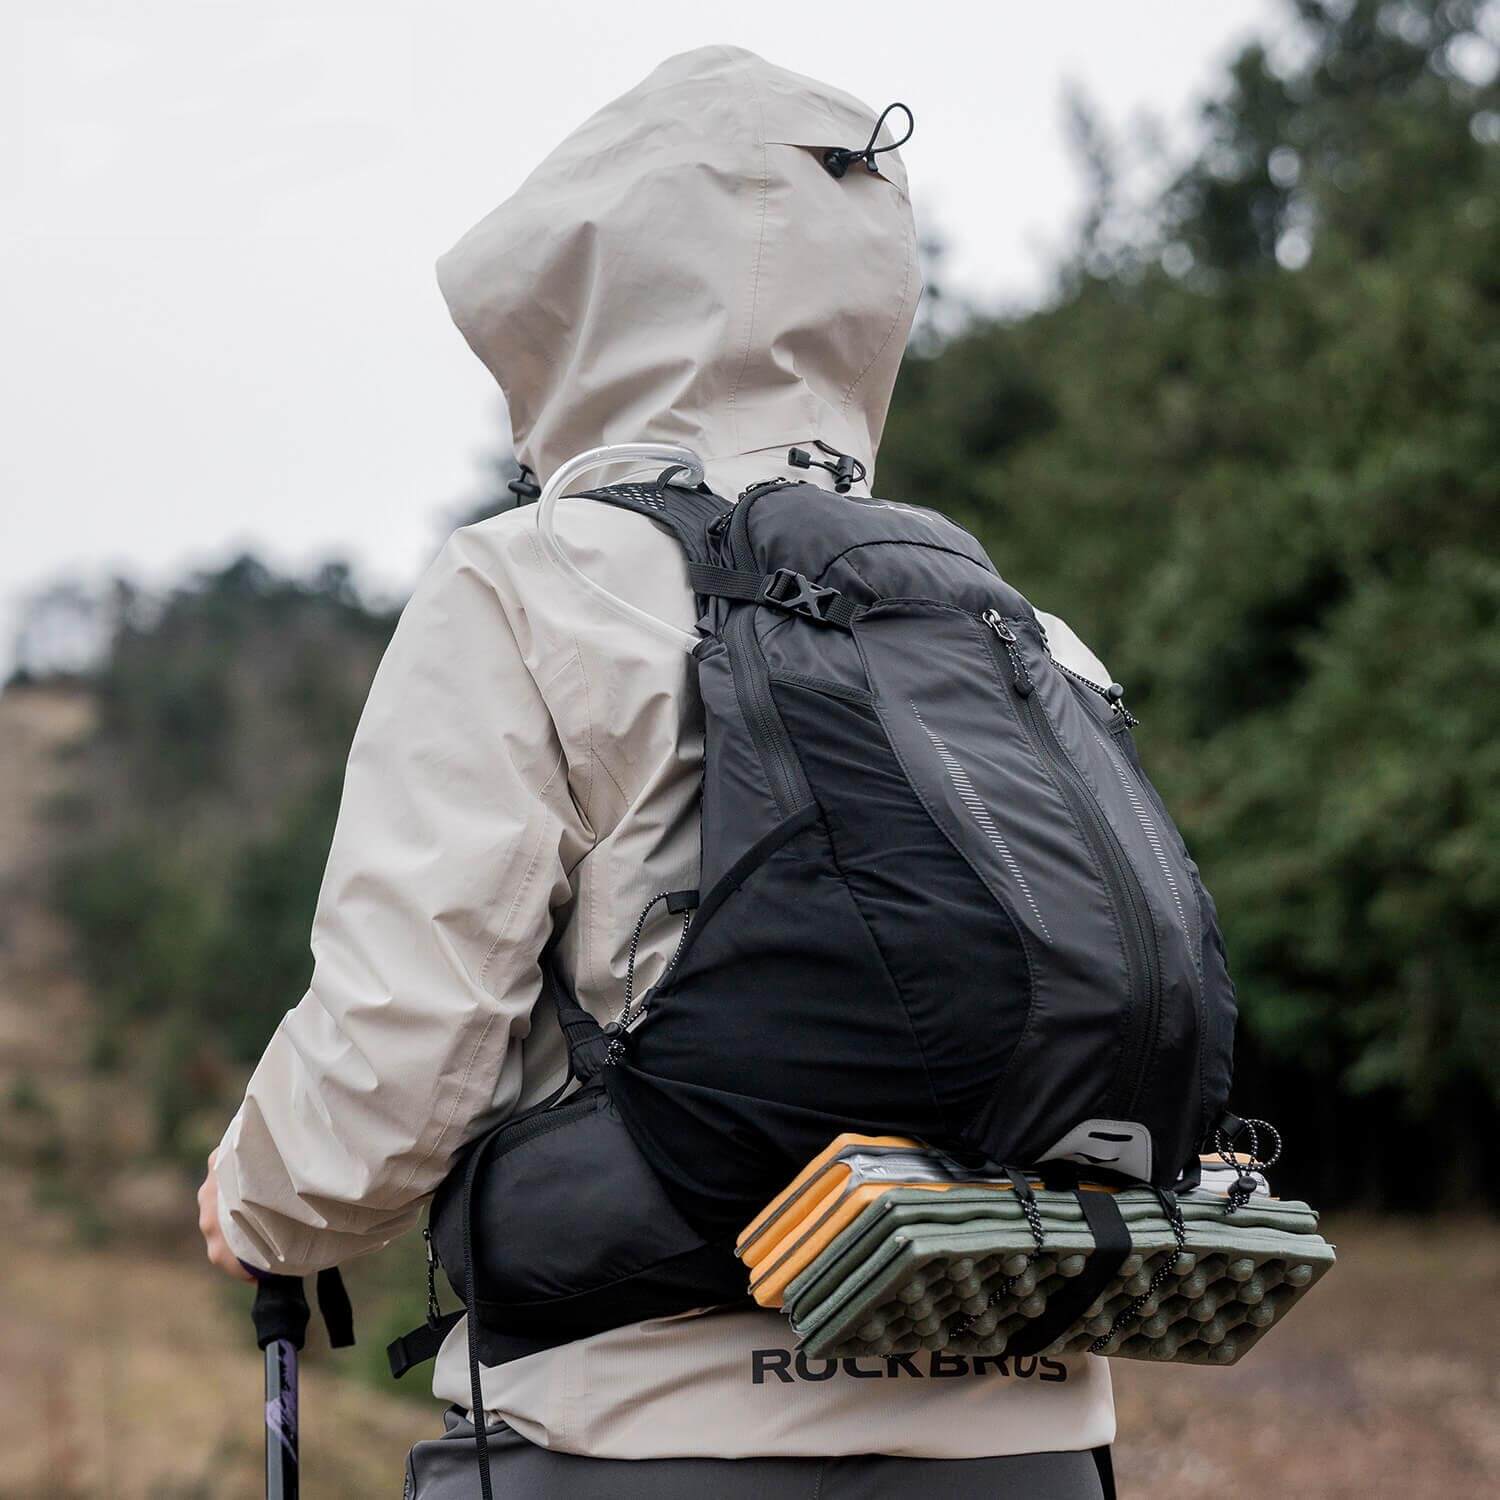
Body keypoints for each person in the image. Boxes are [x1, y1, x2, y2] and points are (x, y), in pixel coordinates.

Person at [198, 45, 1120, 1499]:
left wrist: (263, 1201)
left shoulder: (534, 583)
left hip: (646, 1436)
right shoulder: (1010, 618)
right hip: (1033, 1449)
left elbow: (404, 1039)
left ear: (577, 293)